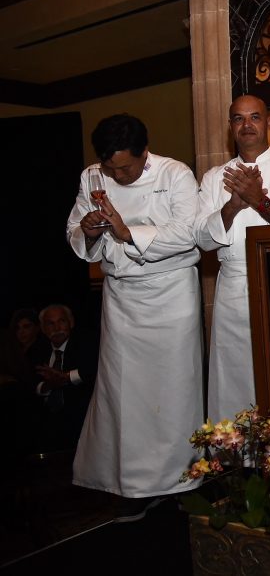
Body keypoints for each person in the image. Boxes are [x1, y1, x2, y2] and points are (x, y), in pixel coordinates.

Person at [66, 114, 204, 518]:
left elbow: (190, 231)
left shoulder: (175, 173)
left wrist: (129, 233)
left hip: (172, 293)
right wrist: (90, 230)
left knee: (176, 392)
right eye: (112, 169)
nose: (118, 175)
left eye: (126, 167)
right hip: (121, 297)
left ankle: (182, 481)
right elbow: (74, 227)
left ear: (146, 153)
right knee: (124, 395)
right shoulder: (92, 176)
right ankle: (133, 485)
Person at [195, 95, 270, 423]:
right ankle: (235, 462)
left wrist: (259, 201)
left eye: (254, 117)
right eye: (238, 119)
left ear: (268, 123)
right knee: (233, 375)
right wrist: (234, 205)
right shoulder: (212, 178)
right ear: (230, 126)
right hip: (233, 289)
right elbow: (201, 240)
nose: (246, 125)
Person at [29, 304, 97, 451]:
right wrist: (48, 385)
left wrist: (66, 377)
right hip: (47, 426)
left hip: (83, 422)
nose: (56, 328)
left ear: (71, 322)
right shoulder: (36, 350)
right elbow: (30, 384)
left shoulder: (88, 342)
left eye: (62, 321)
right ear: (42, 328)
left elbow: (93, 369)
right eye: (50, 323)